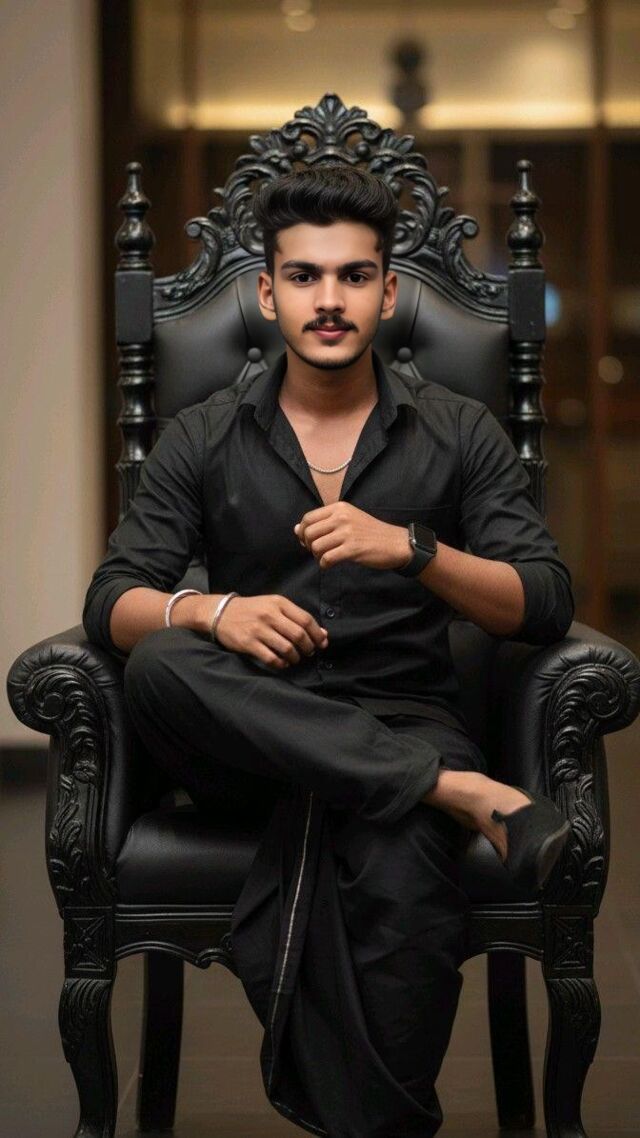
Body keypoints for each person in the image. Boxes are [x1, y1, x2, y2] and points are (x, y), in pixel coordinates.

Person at [83, 165, 575, 1137]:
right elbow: (111, 602)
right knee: (164, 660)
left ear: (388, 291)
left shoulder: (458, 429)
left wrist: (416, 549)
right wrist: (213, 611)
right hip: (249, 734)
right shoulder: (205, 434)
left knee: (401, 858)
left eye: (353, 276)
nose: (329, 299)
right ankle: (450, 791)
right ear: (268, 293)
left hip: (405, 715)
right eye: (305, 276)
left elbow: (544, 602)